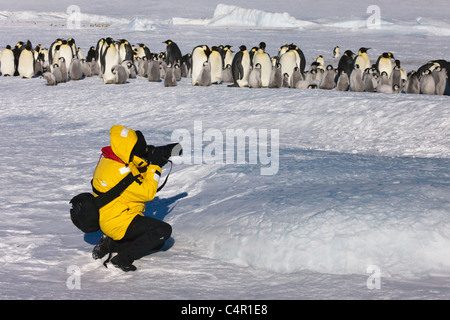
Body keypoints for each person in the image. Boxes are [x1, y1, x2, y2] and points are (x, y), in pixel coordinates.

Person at [91, 125, 172, 272]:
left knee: (157, 243)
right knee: (163, 231)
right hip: (119, 220)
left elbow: (134, 174)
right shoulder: (119, 173)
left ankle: (110, 244)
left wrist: (154, 158)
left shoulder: (112, 161)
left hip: (112, 216)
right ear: (127, 149)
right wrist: (155, 166)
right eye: (137, 150)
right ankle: (123, 258)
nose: (140, 152)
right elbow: (147, 192)